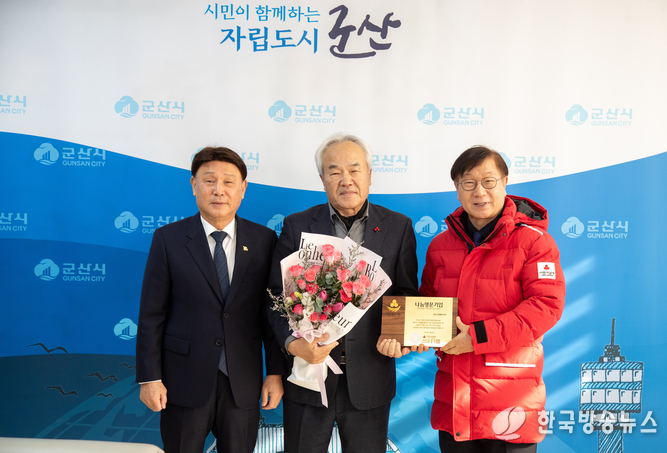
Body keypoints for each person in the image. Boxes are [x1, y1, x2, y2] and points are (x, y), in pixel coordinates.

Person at [267, 133, 419, 453]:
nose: (346, 180)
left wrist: (398, 336)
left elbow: (405, 292)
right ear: (322, 179)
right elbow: (276, 300)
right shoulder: (296, 226)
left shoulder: (398, 227)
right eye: (334, 172)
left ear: (369, 175)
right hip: (309, 376)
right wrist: (294, 344)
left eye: (354, 169)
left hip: (370, 377)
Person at [136, 147, 286, 453]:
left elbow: (271, 313)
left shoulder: (264, 241)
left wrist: (275, 372)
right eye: (209, 181)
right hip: (182, 382)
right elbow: (152, 314)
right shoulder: (168, 239)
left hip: (241, 382)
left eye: (229, 182)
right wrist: (149, 378)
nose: (219, 190)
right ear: (194, 185)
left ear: (243, 189)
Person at [419, 145, 565, 452]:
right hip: (454, 402)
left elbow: (545, 307)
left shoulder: (534, 242)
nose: (479, 192)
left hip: (511, 403)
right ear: (457, 189)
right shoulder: (440, 246)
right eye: (468, 183)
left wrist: (477, 337)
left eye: (489, 181)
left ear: (505, 182)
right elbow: (427, 305)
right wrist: (416, 335)